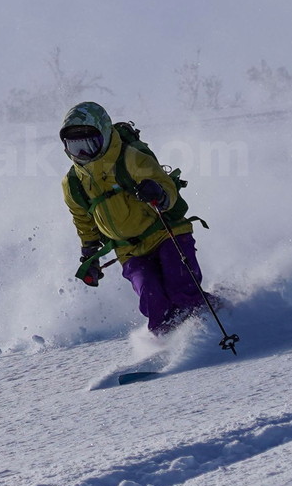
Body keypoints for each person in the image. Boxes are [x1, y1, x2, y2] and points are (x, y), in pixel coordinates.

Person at [59, 101, 209, 335]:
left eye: (89, 144)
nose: (83, 154)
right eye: (75, 147)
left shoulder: (131, 159)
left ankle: (209, 325)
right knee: (153, 300)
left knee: (181, 288)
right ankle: (168, 344)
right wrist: (89, 251)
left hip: (165, 233)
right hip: (128, 250)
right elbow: (82, 219)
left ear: (106, 135)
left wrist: (157, 193)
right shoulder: (73, 183)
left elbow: (165, 186)